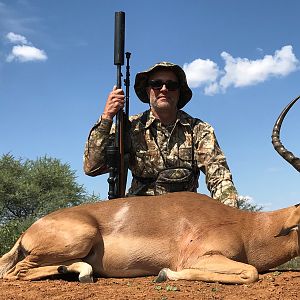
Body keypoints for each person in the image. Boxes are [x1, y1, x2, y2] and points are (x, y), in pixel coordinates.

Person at [83, 62, 238, 207]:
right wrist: (107, 117)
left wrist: (231, 217)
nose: (164, 89)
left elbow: (219, 177)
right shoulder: (129, 127)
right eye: (156, 84)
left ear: (179, 92)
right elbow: (91, 167)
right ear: (147, 90)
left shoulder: (199, 129)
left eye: (172, 85)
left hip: (186, 215)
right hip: (138, 213)